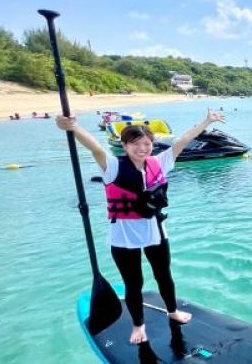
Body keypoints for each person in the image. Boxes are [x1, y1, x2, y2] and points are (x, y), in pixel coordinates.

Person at [55, 108, 225, 343]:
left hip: (155, 232)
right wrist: (74, 128)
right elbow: (95, 147)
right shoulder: (113, 166)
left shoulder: (160, 162)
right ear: (124, 145)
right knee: (134, 283)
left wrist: (207, 120)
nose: (142, 148)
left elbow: (184, 140)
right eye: (135, 144)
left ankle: (172, 311)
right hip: (123, 236)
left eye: (146, 143)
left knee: (164, 276)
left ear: (152, 145)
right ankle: (138, 326)